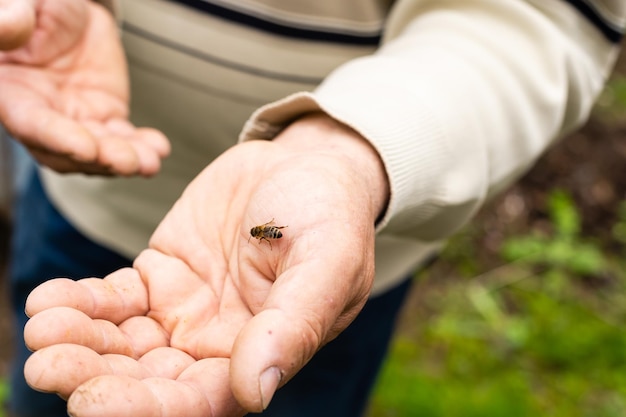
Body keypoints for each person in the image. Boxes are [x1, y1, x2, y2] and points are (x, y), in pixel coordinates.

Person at [1, 0, 623, 416]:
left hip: (320, 258)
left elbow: (539, 19)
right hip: (86, 196)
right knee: (56, 369)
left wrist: (348, 151)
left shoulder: (278, 232)